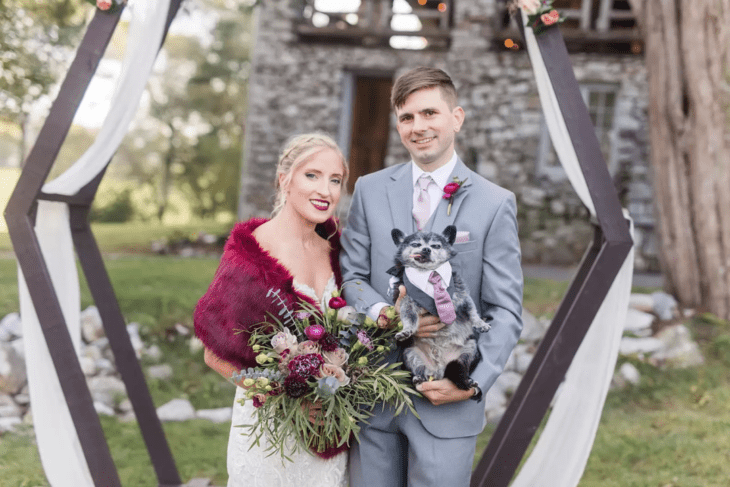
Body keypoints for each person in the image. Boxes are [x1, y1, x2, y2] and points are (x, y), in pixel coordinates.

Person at [340, 66, 524, 486]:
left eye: (429, 114)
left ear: (455, 117)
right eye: (406, 118)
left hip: (447, 405)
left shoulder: (495, 203)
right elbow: (351, 275)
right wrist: (386, 313)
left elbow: (506, 310)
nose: (418, 127)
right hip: (374, 396)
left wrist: (472, 384)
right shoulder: (369, 190)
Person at [194, 133, 350, 487]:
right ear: (285, 179)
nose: (325, 190)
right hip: (269, 435)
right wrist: (277, 390)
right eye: (312, 175)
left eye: (335, 180)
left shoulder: (335, 252)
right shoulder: (252, 253)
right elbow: (213, 355)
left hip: (328, 430)